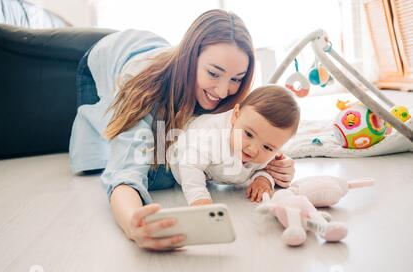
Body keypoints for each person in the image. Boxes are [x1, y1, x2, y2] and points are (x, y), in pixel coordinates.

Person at [69, 9, 295, 251]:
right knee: (96, 160)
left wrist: (272, 165)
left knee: (170, 139)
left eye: (236, 79)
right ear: (191, 58)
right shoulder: (139, 86)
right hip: (106, 59)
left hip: (157, 51)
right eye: (213, 73)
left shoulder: (232, 100)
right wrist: (133, 224)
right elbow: (124, 174)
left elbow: (259, 131)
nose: (221, 91)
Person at [168, 85, 300, 206]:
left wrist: (262, 180)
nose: (253, 150)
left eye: (268, 148)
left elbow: (266, 168)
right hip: (171, 157)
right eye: (248, 134)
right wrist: (199, 199)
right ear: (235, 115)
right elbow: (190, 165)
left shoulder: (265, 141)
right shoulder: (213, 137)